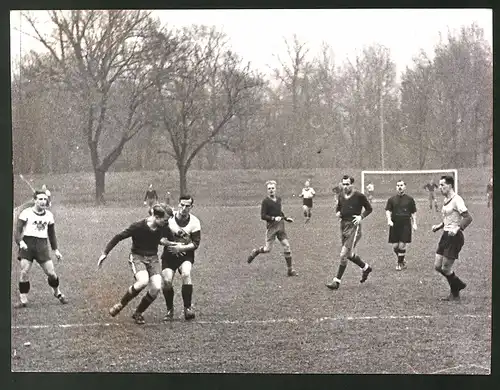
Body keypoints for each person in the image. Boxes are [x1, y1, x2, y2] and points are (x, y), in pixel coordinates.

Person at [97, 204, 171, 324]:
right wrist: (105, 253)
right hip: (137, 257)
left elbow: (169, 238)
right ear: (156, 217)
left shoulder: (164, 227)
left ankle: (138, 313)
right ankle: (121, 304)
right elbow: (118, 237)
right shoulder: (138, 226)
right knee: (143, 281)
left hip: (153, 258)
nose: (167, 222)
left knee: (156, 287)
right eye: (165, 220)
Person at [14, 190, 67, 308]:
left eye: (45, 199)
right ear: (34, 200)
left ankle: (57, 292)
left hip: (42, 246)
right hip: (28, 245)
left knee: (51, 273)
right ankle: (23, 299)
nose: (43, 202)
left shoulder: (49, 215)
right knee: (24, 272)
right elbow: (17, 231)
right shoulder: (26, 213)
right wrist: (20, 242)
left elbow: (52, 234)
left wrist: (56, 250)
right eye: (40, 199)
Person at [326, 175, 373, 290]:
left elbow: (369, 209)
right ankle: (366, 268)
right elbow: (338, 207)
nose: (345, 186)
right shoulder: (341, 195)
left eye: (347, 184)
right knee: (349, 254)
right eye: (343, 184)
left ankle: (336, 281)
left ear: (352, 184)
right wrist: (338, 212)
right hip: (343, 226)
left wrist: (361, 217)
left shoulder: (359, 196)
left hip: (354, 227)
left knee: (343, 254)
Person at [160, 195, 201, 321]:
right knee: (166, 281)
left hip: (186, 255)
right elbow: (161, 239)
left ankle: (187, 308)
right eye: (182, 205)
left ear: (191, 207)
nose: (184, 208)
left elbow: (195, 244)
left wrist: (181, 248)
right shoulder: (169, 219)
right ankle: (169, 310)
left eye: (187, 206)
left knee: (186, 273)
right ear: (178, 204)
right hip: (169, 254)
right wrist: (173, 245)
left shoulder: (195, 222)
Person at [432, 175, 472, 301]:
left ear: (449, 185)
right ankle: (458, 284)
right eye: (439, 185)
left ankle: (455, 291)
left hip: (455, 237)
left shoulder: (457, 200)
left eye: (442, 185)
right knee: (438, 266)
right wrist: (439, 226)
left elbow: (468, 217)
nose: (440, 187)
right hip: (445, 235)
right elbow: (449, 218)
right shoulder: (446, 200)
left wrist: (457, 228)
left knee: (445, 268)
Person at [247, 180, 298, 277]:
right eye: (269, 189)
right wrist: (273, 218)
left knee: (286, 246)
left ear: (276, 189)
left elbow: (279, 212)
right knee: (267, 249)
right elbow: (263, 216)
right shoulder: (265, 201)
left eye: (272, 188)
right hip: (272, 227)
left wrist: (286, 218)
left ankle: (290, 270)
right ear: (267, 190)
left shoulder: (278, 199)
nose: (271, 190)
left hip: (281, 226)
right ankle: (256, 251)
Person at [385, 180, 418, 271]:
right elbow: (388, 210)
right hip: (395, 224)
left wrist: (414, 223)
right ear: (396, 187)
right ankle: (402, 260)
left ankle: (399, 264)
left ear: (405, 187)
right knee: (395, 246)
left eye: (401, 185)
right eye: (398, 185)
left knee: (401, 245)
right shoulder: (391, 199)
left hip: (405, 224)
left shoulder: (410, 199)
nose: (400, 187)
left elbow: (413, 212)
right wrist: (389, 220)